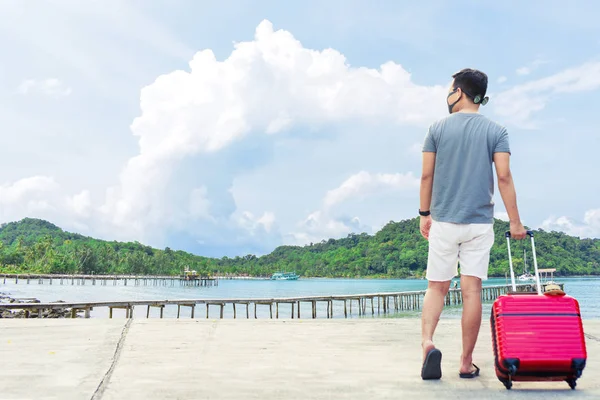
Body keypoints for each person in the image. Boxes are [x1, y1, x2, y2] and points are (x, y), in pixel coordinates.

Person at [418, 68, 527, 380]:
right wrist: (516, 223)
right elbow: (504, 177)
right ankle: (466, 364)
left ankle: (428, 344)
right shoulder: (497, 130)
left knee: (436, 287)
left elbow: (427, 175)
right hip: (479, 223)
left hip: (444, 220)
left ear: (459, 92)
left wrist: (424, 214)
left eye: (451, 89)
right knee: (472, 290)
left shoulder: (436, 129)